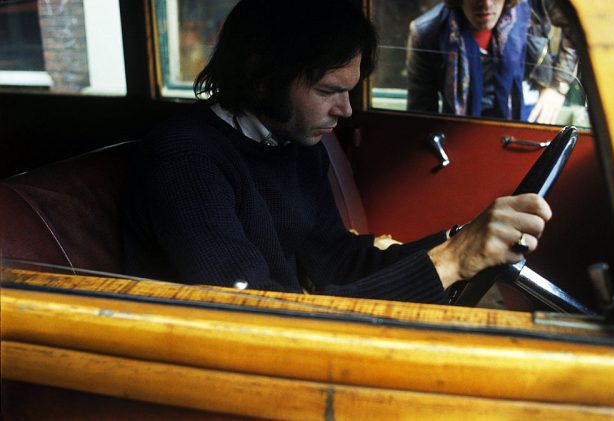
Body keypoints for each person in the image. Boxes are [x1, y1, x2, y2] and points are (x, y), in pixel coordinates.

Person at [122, 0, 551, 304]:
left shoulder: (294, 140)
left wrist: (459, 241)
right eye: (328, 91)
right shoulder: (185, 158)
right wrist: (451, 261)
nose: (345, 110)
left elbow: (339, 261)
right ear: (260, 77)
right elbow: (256, 317)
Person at [407, 0, 578, 123]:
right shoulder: (427, 32)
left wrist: (558, 85)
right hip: (459, 129)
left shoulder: (535, 6)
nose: (486, 4)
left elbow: (577, 25)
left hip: (528, 116)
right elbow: (421, 116)